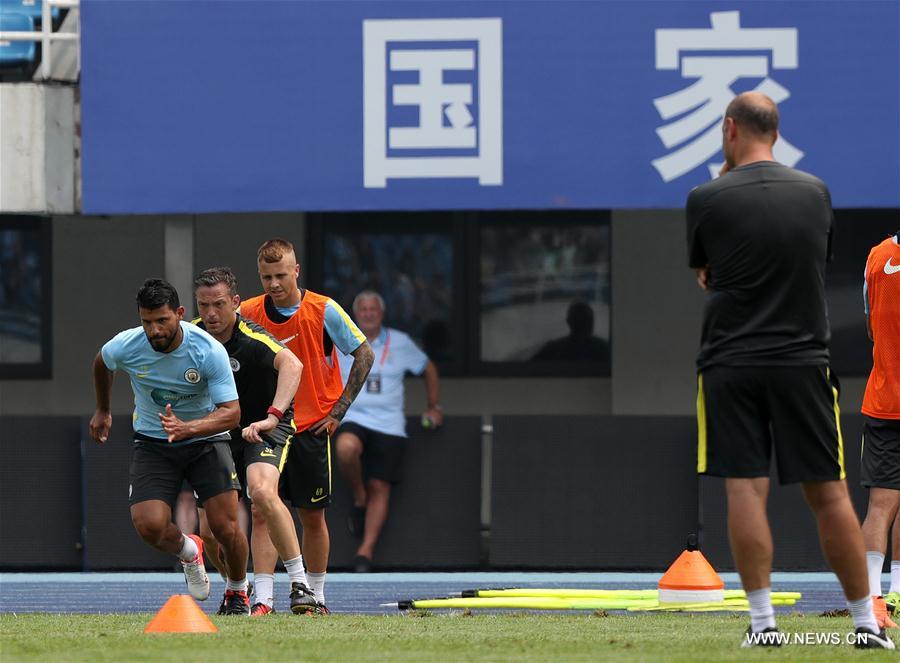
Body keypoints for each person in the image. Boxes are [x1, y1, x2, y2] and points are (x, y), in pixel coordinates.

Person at [687, 92, 893, 649]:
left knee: (745, 491)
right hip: (803, 361)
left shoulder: (705, 198)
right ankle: (866, 625)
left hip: (730, 362)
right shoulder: (814, 193)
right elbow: (809, 262)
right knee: (830, 493)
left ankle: (763, 627)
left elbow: (707, 275)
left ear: (730, 129)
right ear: (776, 133)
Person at [89, 279, 251, 615]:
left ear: (179, 313)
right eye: (147, 322)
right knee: (148, 525)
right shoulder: (127, 345)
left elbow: (232, 413)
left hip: (206, 440)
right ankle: (189, 551)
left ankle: (237, 591)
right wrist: (103, 409)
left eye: (162, 320)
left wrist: (188, 427)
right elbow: (102, 363)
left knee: (225, 527)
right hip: (153, 442)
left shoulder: (208, 350)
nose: (154, 330)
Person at [240, 238, 375, 610]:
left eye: (281, 275)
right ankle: (263, 598)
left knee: (312, 516)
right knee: (261, 511)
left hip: (311, 427)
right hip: (268, 428)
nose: (274, 284)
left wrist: (338, 411)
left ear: (296, 271)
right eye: (266, 277)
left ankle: (316, 596)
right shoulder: (247, 311)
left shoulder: (323, 309)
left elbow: (364, 354)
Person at [191, 266, 320, 616]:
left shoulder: (252, 337)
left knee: (261, 493)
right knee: (212, 531)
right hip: (218, 433)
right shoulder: (191, 338)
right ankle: (239, 587)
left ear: (235, 302)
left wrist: (272, 416)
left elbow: (293, 366)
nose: (211, 313)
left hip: (261, 427)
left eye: (219, 304)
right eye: (204, 305)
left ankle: (300, 585)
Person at [335, 290, 443, 572]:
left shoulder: (400, 341)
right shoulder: (342, 339)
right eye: (363, 309)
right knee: (345, 448)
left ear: (381, 314)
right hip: (353, 416)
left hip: (390, 425)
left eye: (373, 309)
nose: (368, 314)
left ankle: (365, 552)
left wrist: (434, 406)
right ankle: (359, 497)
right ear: (355, 314)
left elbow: (428, 368)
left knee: (380, 486)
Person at [859, 230, 900, 625]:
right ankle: (896, 593)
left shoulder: (877, 256)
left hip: (885, 401)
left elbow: (871, 327)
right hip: (887, 404)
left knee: (880, 505)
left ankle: (873, 600)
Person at [531, 300, 609, 362]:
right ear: (591, 322)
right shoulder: (605, 349)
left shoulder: (553, 349)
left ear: (568, 321)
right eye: (588, 319)